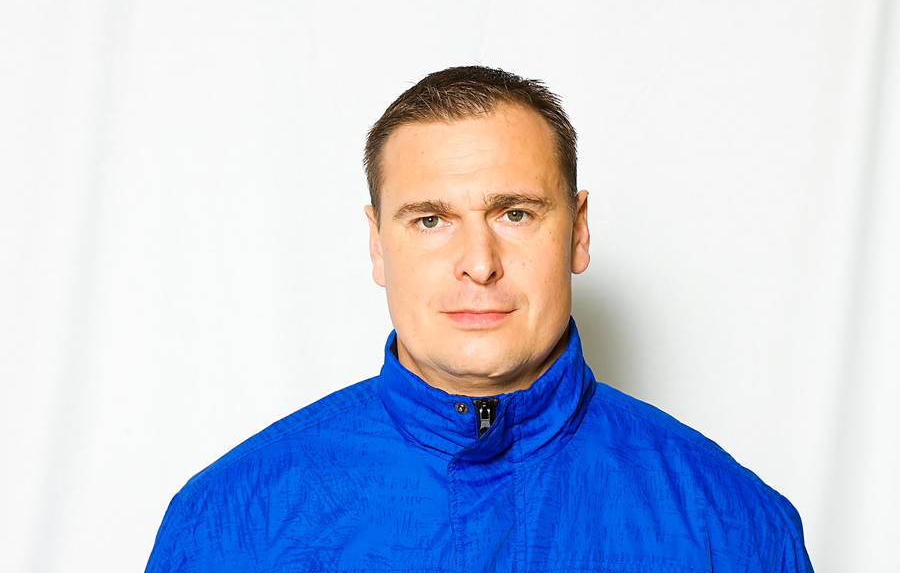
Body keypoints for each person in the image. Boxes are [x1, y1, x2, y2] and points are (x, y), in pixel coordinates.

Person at [145, 66, 814, 572]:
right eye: (430, 221)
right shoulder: (232, 520)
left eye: (514, 213)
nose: (479, 263)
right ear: (377, 244)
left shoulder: (731, 522)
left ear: (578, 232)